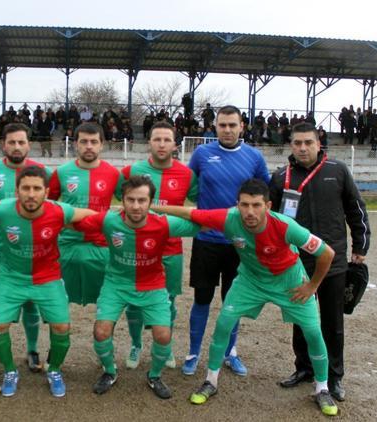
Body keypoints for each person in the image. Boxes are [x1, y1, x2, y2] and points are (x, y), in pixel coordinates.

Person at [153, 179, 339, 416]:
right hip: (250, 280)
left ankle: (322, 388)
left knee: (312, 331)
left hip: (289, 282)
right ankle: (211, 381)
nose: (250, 212)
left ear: (268, 206)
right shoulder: (228, 218)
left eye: (256, 205)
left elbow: (327, 253)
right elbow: (191, 213)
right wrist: (153, 207)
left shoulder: (286, 226)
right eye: (244, 205)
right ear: (237, 205)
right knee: (223, 324)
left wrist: (312, 286)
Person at [74, 175, 200, 399]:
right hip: (116, 284)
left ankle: (154, 376)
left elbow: (199, 224)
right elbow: (71, 219)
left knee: (162, 335)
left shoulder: (163, 223)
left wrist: (170, 210)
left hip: (152, 285)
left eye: (142, 200)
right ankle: (110, 372)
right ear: (121, 200)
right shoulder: (109, 221)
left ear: (151, 202)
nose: (135, 206)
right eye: (130, 199)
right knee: (101, 331)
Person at [270, 122, 370, 402]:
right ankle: (303, 368)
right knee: (302, 320)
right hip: (296, 263)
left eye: (308, 143)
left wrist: (361, 244)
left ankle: (334, 377)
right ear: (291, 145)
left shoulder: (337, 171)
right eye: (297, 143)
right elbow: (271, 220)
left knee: (332, 322)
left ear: (318, 143)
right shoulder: (280, 178)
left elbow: (356, 207)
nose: (302, 148)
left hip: (333, 261)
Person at [0, 165, 95, 397]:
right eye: (26, 188)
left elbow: (94, 217)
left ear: (47, 191)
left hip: (48, 278)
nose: (31, 194)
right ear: (17, 190)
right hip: (12, 277)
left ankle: (54, 370)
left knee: (62, 326)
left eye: (36, 189)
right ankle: (11, 371)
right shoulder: (1, 210)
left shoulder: (60, 211)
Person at [182, 105, 270, 377]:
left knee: (233, 302)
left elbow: (266, 195)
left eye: (233, 125)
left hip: (240, 245)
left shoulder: (254, 157)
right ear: (215, 127)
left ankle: (229, 352)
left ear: (241, 126)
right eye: (223, 125)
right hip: (206, 240)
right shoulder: (202, 154)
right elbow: (191, 186)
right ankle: (194, 352)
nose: (228, 130)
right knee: (202, 299)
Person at [121, 121, 198, 370]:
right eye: (157, 139)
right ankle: (136, 344)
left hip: (170, 250)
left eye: (167, 139)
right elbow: (115, 206)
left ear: (175, 145)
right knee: (134, 301)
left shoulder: (187, 175)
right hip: (136, 249)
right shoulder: (132, 172)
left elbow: (201, 205)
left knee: (168, 302)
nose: (162, 144)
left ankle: (163, 347)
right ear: (149, 143)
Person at [0, 123, 50, 373]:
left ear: (29, 144)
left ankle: (32, 350)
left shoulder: (41, 171)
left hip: (31, 248)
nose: (16, 147)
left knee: (30, 300)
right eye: (11, 142)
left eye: (21, 142)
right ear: (3, 145)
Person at [48, 122, 123, 306]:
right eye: (84, 141)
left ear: (101, 144)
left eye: (93, 141)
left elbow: (129, 203)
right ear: (75, 144)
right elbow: (48, 205)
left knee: (106, 302)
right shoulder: (62, 172)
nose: (89, 146)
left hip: (101, 246)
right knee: (59, 301)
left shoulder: (113, 173)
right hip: (67, 245)